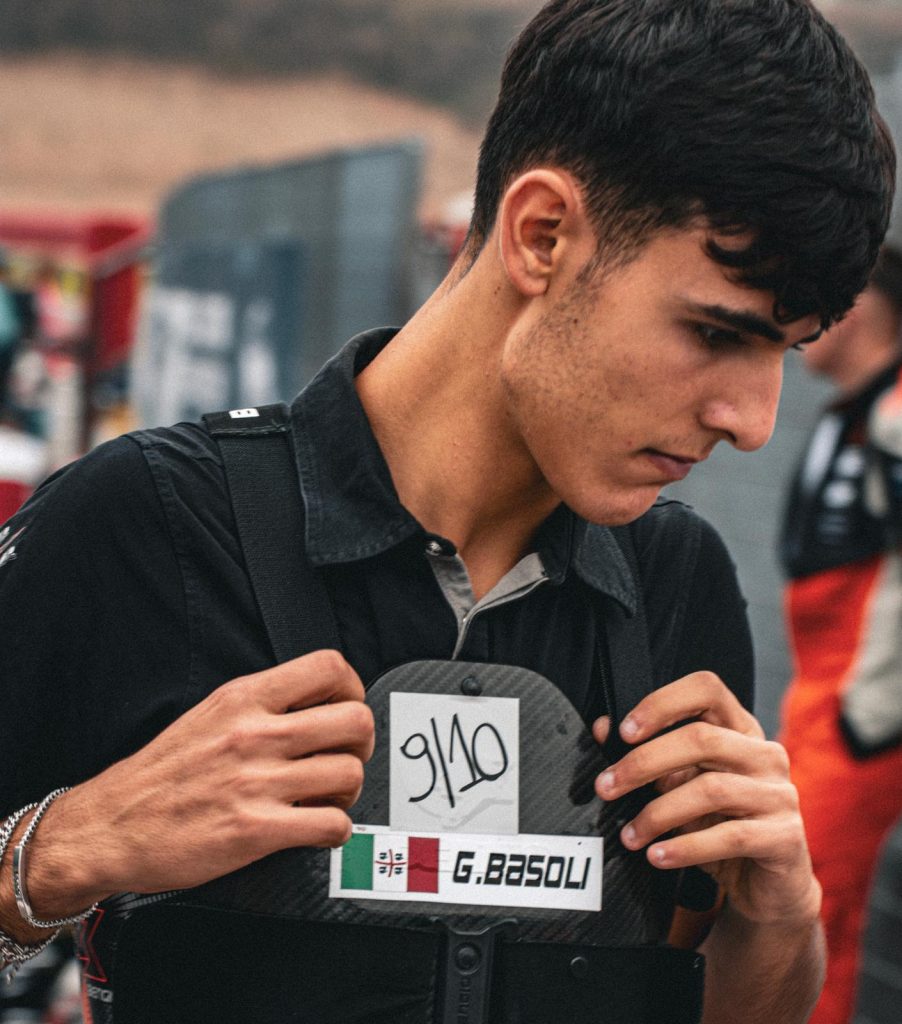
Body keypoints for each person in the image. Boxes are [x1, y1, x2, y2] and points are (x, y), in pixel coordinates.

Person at [0, 1, 894, 1022]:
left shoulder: (677, 587)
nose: (754, 423)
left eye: (785, 351)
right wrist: (56, 854)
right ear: (541, 234)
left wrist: (777, 916)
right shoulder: (146, 523)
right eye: (715, 333)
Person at [779, 246, 902, 1024]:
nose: (799, 326)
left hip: (857, 714)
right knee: (814, 914)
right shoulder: (858, 411)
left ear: (854, 313)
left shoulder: (894, 416)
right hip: (824, 698)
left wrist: (871, 719)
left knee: (805, 912)